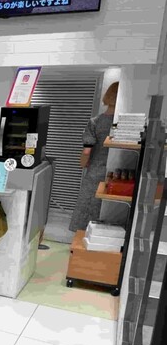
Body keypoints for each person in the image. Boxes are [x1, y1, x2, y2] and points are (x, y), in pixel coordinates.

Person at [69, 82, 119, 232]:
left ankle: (81, 241)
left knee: (87, 208)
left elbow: (86, 152)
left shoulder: (95, 122)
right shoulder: (123, 124)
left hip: (95, 172)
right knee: (109, 210)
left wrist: (82, 164)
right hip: (118, 174)